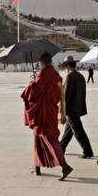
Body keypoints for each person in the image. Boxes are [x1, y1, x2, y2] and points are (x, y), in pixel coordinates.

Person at [21, 52, 74, 180]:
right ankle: (37, 166)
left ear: (42, 62)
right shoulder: (56, 75)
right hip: (51, 111)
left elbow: (31, 94)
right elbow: (60, 94)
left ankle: (64, 165)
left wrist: (32, 83)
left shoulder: (42, 74)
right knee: (38, 139)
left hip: (42, 113)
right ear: (50, 61)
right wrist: (62, 111)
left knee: (48, 139)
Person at [59, 56, 94, 158]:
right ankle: (61, 148)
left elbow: (66, 96)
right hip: (78, 107)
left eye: (65, 67)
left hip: (71, 109)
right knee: (69, 130)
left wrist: (62, 110)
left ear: (68, 66)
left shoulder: (70, 77)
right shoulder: (80, 76)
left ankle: (88, 151)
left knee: (78, 131)